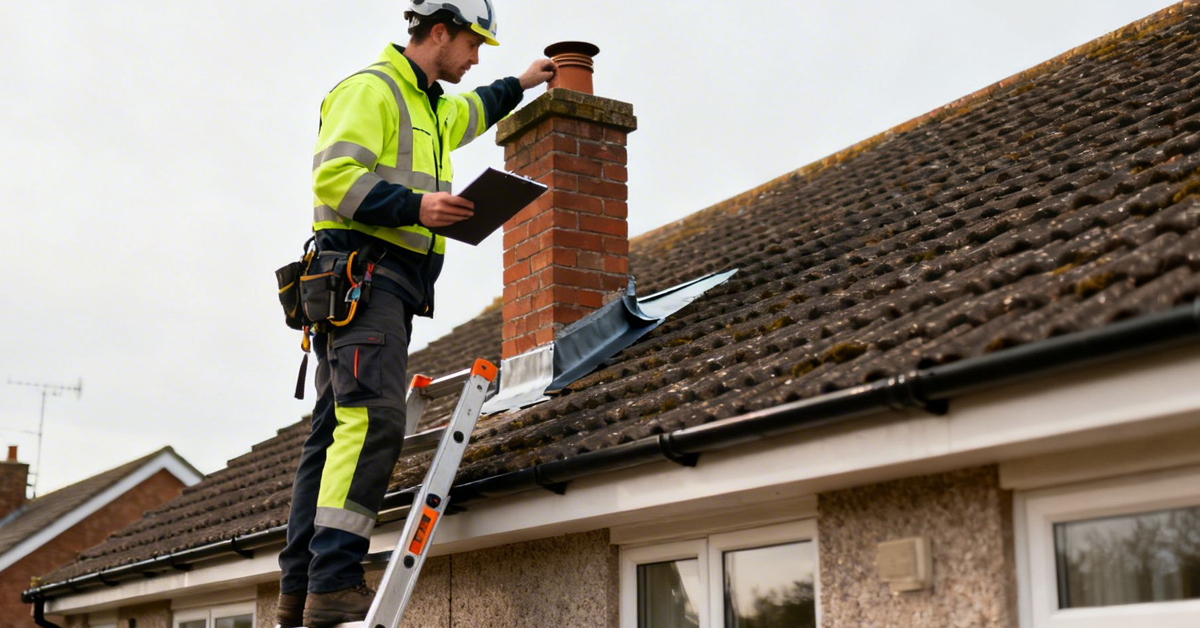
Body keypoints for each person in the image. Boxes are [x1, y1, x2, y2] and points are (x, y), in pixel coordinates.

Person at [277, 2, 555, 625]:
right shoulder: (370, 91)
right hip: (364, 277)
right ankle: (332, 583)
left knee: (331, 436)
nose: (478, 56)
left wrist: (526, 81)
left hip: (383, 286)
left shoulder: (430, 106)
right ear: (439, 31)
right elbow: (332, 178)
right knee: (373, 418)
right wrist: (415, 208)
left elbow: (475, 107)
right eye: (474, 43)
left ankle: (301, 592)